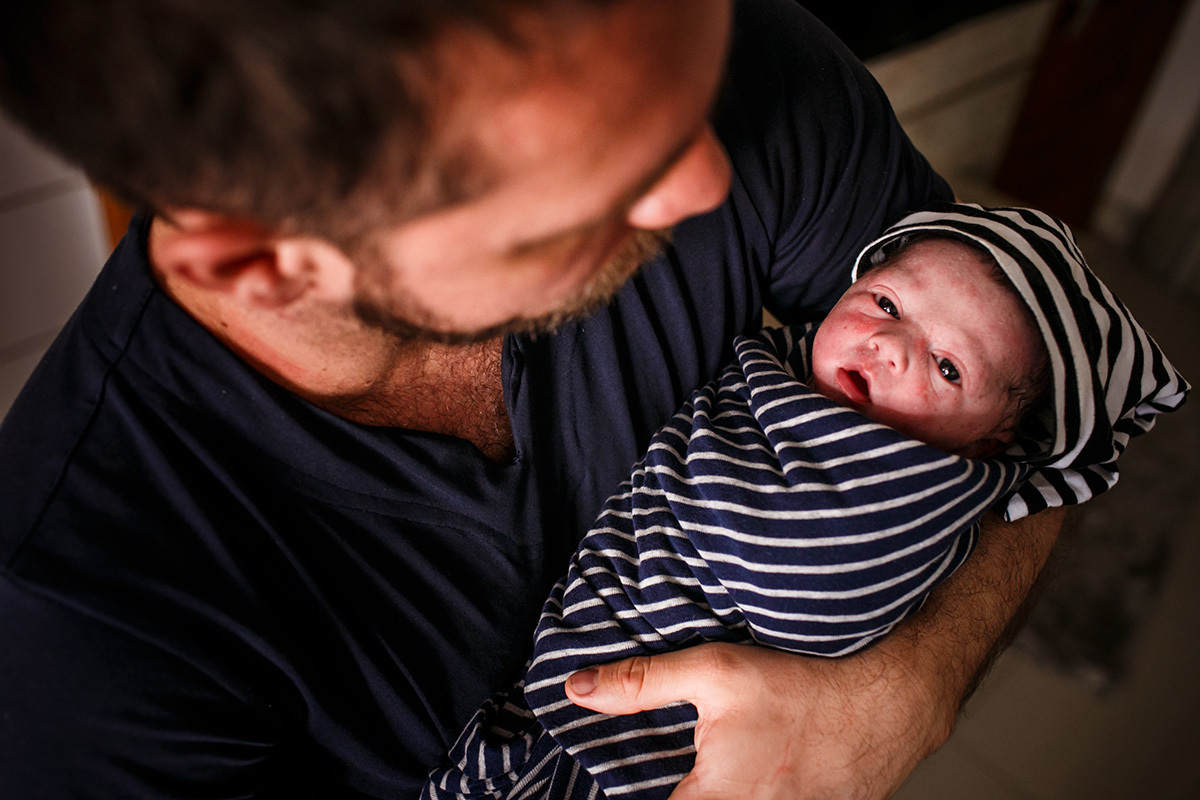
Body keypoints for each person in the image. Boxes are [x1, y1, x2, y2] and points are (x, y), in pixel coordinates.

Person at [0, 1, 1132, 797]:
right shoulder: (87, 636)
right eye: (601, 174)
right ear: (268, 262)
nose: (704, 181)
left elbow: (1046, 410)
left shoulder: (749, 65)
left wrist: (905, 693)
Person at [421, 203, 1188, 799]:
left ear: (989, 444)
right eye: (887, 303)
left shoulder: (910, 489)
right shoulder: (797, 365)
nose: (890, 345)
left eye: (949, 368)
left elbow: (803, 584)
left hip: (620, 758)